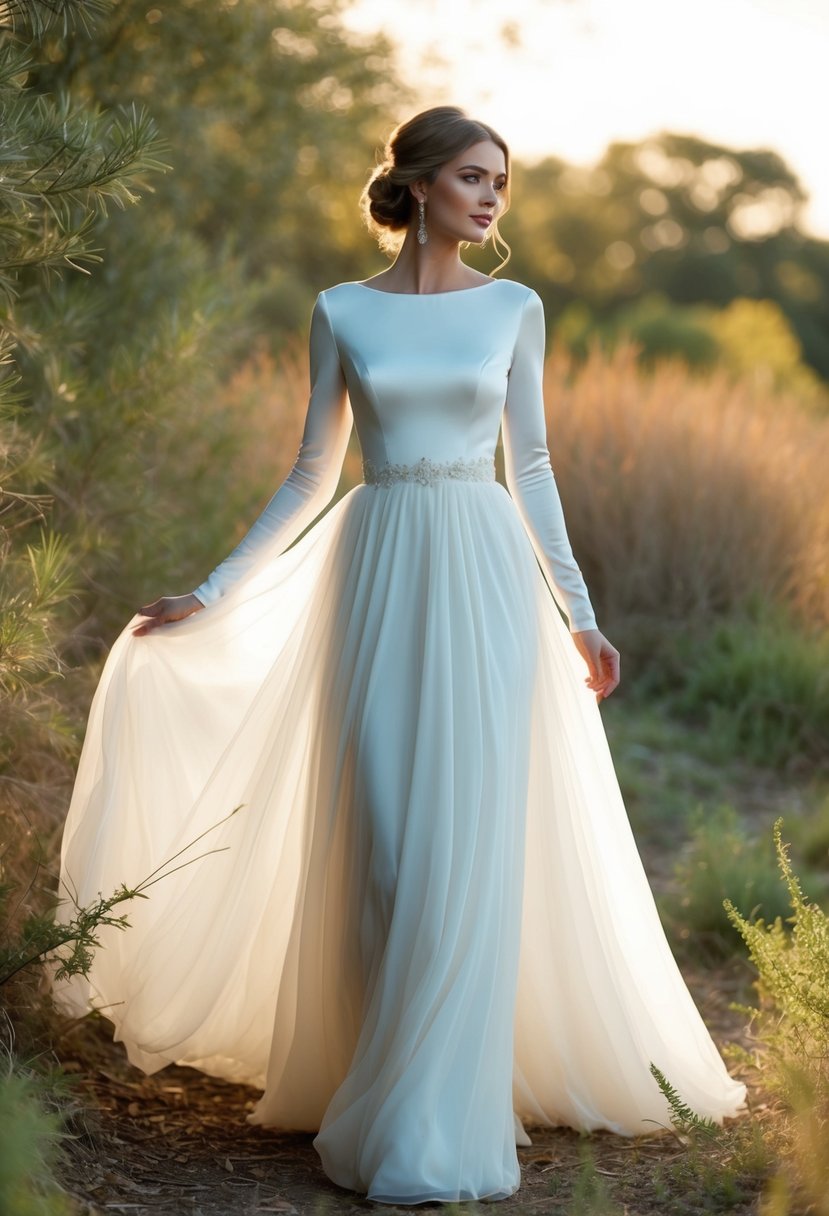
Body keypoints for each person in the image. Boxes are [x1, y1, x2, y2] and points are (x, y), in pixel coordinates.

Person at [52, 105, 746, 1205]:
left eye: (500, 183)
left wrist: (577, 610)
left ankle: (434, 1117)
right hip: (371, 574)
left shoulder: (515, 309)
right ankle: (374, 1074)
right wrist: (215, 588)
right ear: (415, 184)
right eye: (472, 176)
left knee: (463, 845)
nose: (490, 198)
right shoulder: (339, 312)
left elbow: (536, 469)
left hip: (480, 578)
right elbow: (305, 475)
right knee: (379, 842)